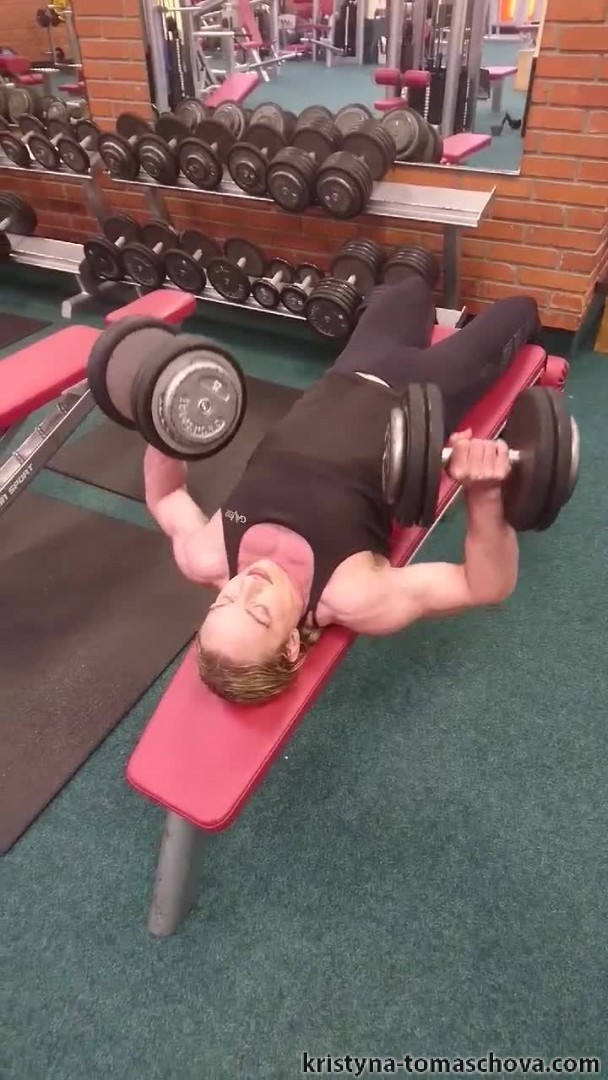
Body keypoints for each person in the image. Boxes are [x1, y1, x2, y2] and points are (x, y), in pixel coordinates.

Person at [144, 275, 541, 703]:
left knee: (412, 286)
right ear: (291, 645)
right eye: (259, 613)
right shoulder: (351, 595)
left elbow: (166, 497)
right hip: (427, 396)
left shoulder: (207, 556)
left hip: (350, 368)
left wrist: (163, 425)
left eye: (224, 602)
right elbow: (483, 586)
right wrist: (485, 494)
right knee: (521, 308)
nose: (247, 587)